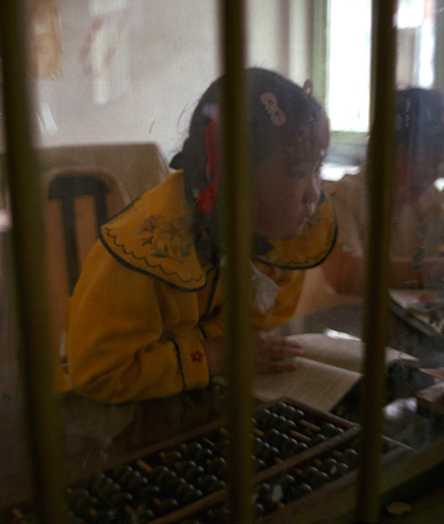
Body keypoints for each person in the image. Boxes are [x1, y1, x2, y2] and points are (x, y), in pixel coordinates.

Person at [65, 68, 338, 403]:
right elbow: (98, 374)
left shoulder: (282, 238)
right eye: (299, 171)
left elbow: (262, 321)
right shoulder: (144, 251)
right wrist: (215, 354)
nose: (314, 194)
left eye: (317, 169)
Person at [295, 88, 444, 316]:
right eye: (420, 163)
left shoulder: (426, 199)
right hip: (332, 328)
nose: (429, 175)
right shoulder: (342, 197)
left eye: (436, 163)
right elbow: (344, 276)